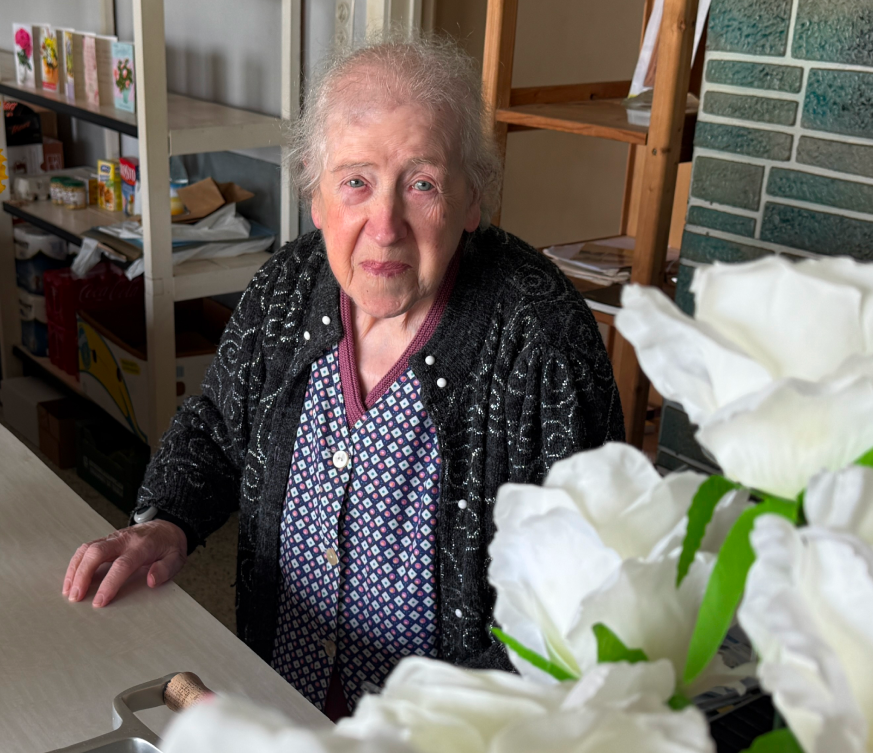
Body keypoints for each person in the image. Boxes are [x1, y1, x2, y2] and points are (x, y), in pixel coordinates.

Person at [62, 35, 624, 716]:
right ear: (316, 194)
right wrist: (166, 521)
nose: (384, 225)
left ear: (472, 199)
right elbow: (216, 431)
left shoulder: (543, 343)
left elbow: (580, 609)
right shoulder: (287, 287)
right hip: (279, 699)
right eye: (356, 181)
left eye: (421, 183)